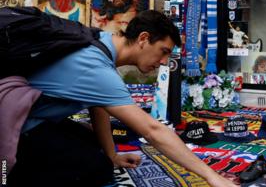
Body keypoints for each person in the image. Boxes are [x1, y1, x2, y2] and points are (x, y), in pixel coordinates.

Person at [8, 11, 237, 187]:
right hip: (12, 128)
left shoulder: (101, 40)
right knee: (94, 169)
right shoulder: (96, 66)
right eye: (164, 51)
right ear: (143, 39)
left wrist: (112, 154)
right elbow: (152, 130)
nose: (165, 62)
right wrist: (212, 177)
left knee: (95, 146)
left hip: (24, 116)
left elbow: (98, 107)